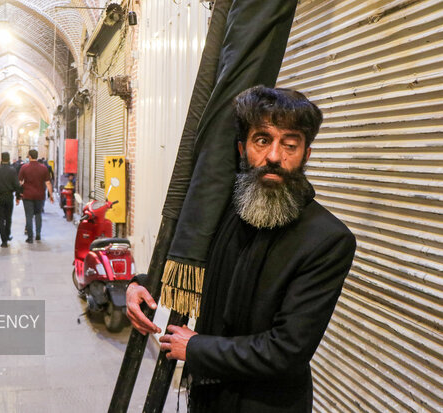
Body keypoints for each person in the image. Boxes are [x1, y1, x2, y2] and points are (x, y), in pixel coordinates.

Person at [126, 86, 356, 412]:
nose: (274, 156)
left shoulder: (328, 240)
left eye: (289, 144)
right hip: (207, 397)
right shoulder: (230, 211)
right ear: (242, 147)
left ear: (306, 154)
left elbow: (287, 350)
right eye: (262, 140)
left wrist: (197, 349)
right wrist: (140, 284)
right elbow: (196, 271)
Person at [18, 149, 54, 243]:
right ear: (36, 156)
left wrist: (18, 195)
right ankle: (38, 234)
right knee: (38, 215)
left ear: (29, 156)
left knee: (29, 216)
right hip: (39, 195)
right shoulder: (43, 168)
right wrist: (51, 195)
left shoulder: (24, 167)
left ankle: (30, 237)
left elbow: (20, 182)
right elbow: (48, 183)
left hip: (27, 195)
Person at [0, 152, 21, 248]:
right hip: (9, 196)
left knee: (0, 219)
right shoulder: (12, 170)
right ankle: (7, 234)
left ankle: (3, 240)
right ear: (9, 159)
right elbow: (16, 185)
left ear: (1, 159)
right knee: (8, 217)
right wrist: (18, 196)